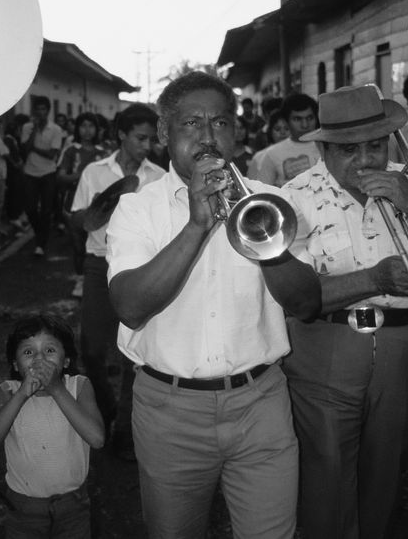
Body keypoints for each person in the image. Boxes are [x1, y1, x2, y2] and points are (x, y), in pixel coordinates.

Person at [106, 72, 321, 538]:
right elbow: (129, 307)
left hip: (260, 402)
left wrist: (262, 239)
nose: (207, 137)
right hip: (169, 410)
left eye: (220, 123)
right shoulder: (136, 210)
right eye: (191, 124)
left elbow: (305, 302)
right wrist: (196, 226)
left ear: (236, 132)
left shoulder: (273, 204)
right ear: (165, 133)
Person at [281, 83, 408, 539]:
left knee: (389, 464)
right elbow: (297, 296)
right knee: (326, 470)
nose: (367, 160)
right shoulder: (293, 197)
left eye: (376, 145)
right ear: (325, 149)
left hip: (403, 344)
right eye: (349, 150)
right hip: (325, 345)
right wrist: (374, 280)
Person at [70, 103, 164, 461]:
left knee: (135, 352)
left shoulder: (158, 176)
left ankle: (125, 428)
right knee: (92, 349)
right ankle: (106, 410)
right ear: (122, 135)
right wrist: (96, 210)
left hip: (142, 266)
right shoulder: (95, 172)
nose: (147, 146)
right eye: (140, 138)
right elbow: (79, 219)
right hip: (99, 264)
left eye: (151, 139)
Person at [0, 315, 104, 539]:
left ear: (66, 361)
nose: (39, 359)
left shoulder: (78, 387)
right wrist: (22, 394)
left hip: (73, 505)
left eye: (50, 351)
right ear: (15, 365)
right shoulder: (7, 391)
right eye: (28, 352)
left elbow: (97, 438)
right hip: (23, 508)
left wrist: (56, 389)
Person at [57, 113, 108, 298]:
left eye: (91, 126)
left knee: (98, 244)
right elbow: (60, 176)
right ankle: (80, 278)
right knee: (78, 245)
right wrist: (82, 175)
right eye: (83, 126)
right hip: (73, 203)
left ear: (97, 129)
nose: (87, 130)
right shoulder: (71, 150)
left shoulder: (104, 152)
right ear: (77, 128)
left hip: (99, 206)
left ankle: (98, 277)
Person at [21, 96, 65, 257]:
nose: (40, 112)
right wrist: (34, 133)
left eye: (43, 109)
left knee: (46, 210)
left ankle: (41, 243)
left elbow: (52, 154)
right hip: (30, 172)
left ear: (48, 111)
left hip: (48, 173)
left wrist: (34, 148)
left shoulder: (55, 129)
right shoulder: (27, 127)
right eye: (37, 109)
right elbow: (25, 149)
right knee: (30, 208)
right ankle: (41, 231)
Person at [247, 92, 320, 186]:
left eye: (309, 118)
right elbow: (264, 193)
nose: (305, 125)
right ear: (287, 121)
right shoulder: (272, 154)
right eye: (297, 119)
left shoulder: (329, 148)